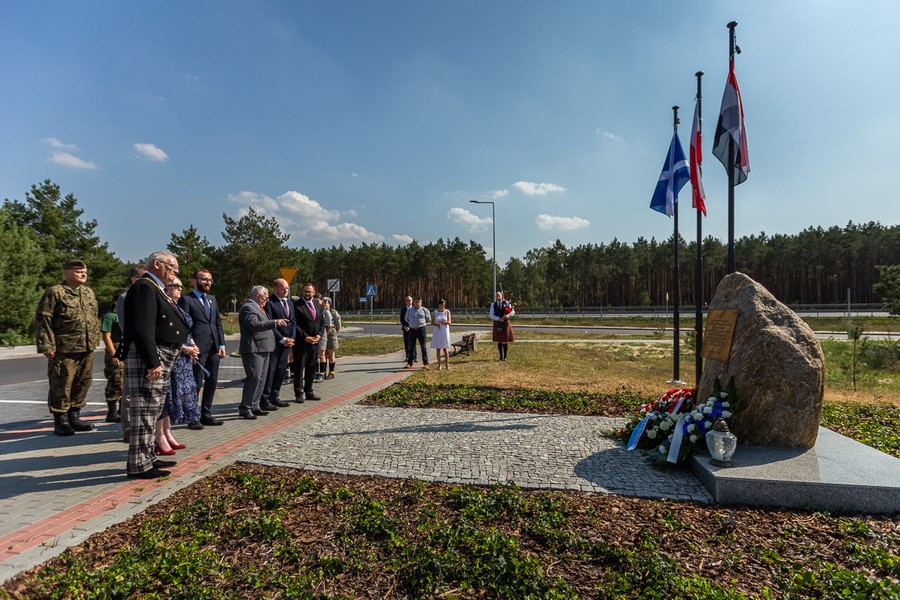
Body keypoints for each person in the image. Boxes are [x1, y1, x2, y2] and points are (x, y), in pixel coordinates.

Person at [121, 251, 186, 479]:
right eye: (172, 266)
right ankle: (139, 465)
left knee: (153, 410)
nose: (175, 271)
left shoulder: (155, 288)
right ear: (157, 264)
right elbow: (142, 328)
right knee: (144, 412)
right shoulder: (145, 287)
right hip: (149, 358)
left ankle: (147, 457)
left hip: (161, 355)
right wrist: (152, 361)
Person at [35, 259, 101, 437]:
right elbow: (44, 319)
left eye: (85, 271)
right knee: (61, 383)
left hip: (87, 346)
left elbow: (94, 317)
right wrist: (47, 345)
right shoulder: (55, 292)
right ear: (66, 273)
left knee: (83, 382)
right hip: (64, 348)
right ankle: (60, 420)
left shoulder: (88, 292)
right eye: (79, 271)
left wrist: (96, 338)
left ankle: (74, 416)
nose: (84, 274)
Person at [156, 277, 200, 455]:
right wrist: (185, 348)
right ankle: (159, 437)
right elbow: (164, 334)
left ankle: (167, 432)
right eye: (177, 286)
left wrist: (193, 346)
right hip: (171, 357)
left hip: (183, 360)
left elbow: (186, 332)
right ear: (167, 288)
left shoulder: (177, 306)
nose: (180, 289)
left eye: (181, 286)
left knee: (174, 397)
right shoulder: (163, 306)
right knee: (166, 398)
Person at [178, 268, 226, 429]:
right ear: (194, 281)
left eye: (210, 280)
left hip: (213, 348)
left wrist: (221, 344)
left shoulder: (212, 299)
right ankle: (193, 416)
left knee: (211, 382)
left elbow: (217, 322)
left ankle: (206, 414)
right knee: (196, 384)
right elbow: (185, 325)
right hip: (197, 349)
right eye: (204, 279)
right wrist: (190, 344)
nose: (208, 282)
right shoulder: (186, 299)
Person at [238, 286, 287, 419]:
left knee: (261, 379)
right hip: (254, 349)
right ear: (258, 296)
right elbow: (254, 325)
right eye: (265, 297)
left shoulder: (259, 307)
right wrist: (274, 322)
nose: (267, 300)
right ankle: (245, 408)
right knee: (253, 378)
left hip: (264, 348)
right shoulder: (248, 307)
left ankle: (255, 405)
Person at [117, 264, 146, 442]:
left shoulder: (151, 295)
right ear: (134, 279)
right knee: (129, 392)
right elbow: (126, 326)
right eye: (144, 277)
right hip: (134, 349)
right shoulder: (125, 297)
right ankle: (128, 427)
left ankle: (142, 426)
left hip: (151, 350)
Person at [261, 278, 295, 409]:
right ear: (275, 289)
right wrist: (282, 339)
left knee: (281, 370)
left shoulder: (290, 303)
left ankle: (275, 396)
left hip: (287, 343)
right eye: (283, 288)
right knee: (271, 371)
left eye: (287, 288)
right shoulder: (270, 303)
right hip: (275, 342)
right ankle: (265, 398)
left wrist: (291, 338)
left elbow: (293, 321)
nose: (286, 290)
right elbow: (270, 323)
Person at [292, 282, 325, 402]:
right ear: (302, 291)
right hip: (301, 343)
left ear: (314, 293)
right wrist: (305, 337)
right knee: (299, 368)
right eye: (305, 291)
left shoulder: (318, 305)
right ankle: (299, 393)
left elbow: (322, 323)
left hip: (315, 342)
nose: (307, 293)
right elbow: (294, 324)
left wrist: (319, 335)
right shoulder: (296, 306)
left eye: (310, 291)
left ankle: (309, 391)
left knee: (312, 367)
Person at [100, 288, 127, 423]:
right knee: (115, 381)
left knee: (125, 382)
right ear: (116, 302)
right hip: (115, 348)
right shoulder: (110, 316)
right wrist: (114, 354)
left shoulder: (127, 315)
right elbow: (106, 337)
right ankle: (111, 412)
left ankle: (122, 410)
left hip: (125, 348)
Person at [404, 297, 431, 369]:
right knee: (411, 347)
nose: (417, 303)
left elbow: (428, 319)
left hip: (421, 330)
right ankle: (409, 363)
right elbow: (406, 319)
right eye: (416, 302)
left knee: (423, 347)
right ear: (413, 303)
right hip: (412, 330)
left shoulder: (424, 310)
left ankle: (425, 363)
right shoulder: (409, 310)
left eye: (419, 302)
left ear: (421, 303)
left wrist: (421, 324)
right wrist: (412, 324)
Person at [490, 291, 516, 361]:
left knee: (504, 341)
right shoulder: (493, 305)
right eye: (497, 295)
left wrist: (507, 315)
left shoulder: (506, 303)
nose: (498, 296)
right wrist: (498, 318)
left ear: (502, 296)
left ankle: (505, 357)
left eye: (499, 295)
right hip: (498, 323)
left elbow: (513, 312)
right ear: (495, 297)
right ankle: (500, 357)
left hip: (505, 323)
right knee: (499, 341)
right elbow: (491, 315)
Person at [321, 297, 341, 378]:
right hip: (323, 332)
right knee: (323, 353)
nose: (325, 304)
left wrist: (334, 333)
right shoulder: (321, 311)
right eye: (324, 302)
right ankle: (323, 372)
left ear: (330, 303)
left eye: (327, 302)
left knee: (331, 353)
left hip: (331, 333)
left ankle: (331, 372)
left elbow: (338, 325)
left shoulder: (334, 312)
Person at [430, 299, 452, 370]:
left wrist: (443, 322)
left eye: (443, 305)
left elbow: (449, 322)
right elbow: (432, 322)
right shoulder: (435, 312)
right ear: (439, 305)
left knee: (445, 348)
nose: (442, 306)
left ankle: (447, 364)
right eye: (441, 305)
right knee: (438, 348)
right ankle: (439, 365)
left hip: (444, 331)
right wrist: (436, 323)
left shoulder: (447, 312)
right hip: (437, 331)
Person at [400, 295, 417, 364]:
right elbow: (402, 319)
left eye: (409, 300)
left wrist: (412, 326)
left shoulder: (414, 309)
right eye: (407, 300)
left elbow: (415, 319)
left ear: (412, 301)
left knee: (413, 343)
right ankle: (407, 356)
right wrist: (405, 327)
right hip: (406, 329)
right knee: (406, 343)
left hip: (413, 328)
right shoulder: (403, 310)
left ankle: (415, 356)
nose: (408, 302)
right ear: (405, 301)